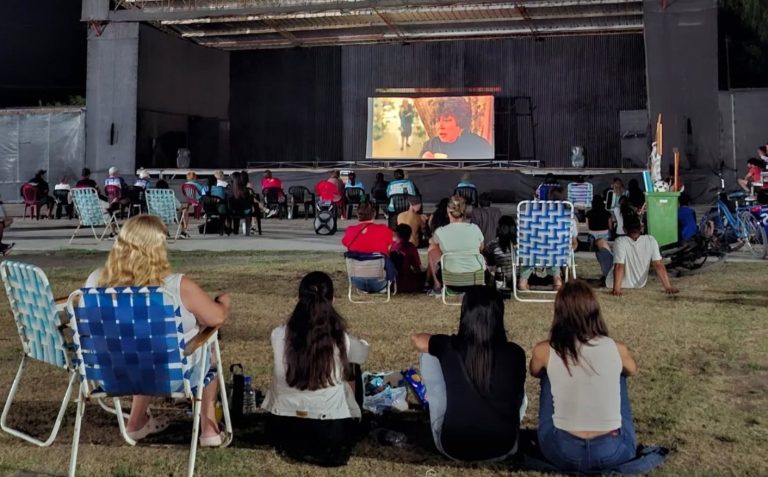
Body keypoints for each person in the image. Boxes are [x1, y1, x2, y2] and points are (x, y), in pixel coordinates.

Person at [84, 215, 230, 446]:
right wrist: (224, 301)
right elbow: (217, 317)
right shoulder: (176, 286)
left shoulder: (95, 282)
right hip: (168, 377)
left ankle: (136, 422)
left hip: (109, 375)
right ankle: (209, 428)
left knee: (138, 346)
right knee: (207, 350)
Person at [529, 280, 666, 474]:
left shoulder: (544, 350)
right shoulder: (616, 348)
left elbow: (534, 371)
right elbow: (632, 370)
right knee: (620, 372)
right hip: (613, 451)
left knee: (548, 372)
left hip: (562, 451)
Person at [262, 271, 368, 467]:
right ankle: (354, 415)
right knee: (352, 367)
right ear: (333, 299)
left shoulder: (278, 334)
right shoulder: (341, 338)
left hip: (283, 424)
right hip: (328, 430)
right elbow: (362, 354)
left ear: (299, 298)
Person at [411, 287, 526, 462]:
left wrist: (439, 341)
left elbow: (417, 339)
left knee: (428, 354)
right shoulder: (515, 352)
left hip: (454, 445)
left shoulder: (448, 346)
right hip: (503, 445)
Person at [596, 212, 679, 295]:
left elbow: (619, 266)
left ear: (624, 229)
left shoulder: (620, 241)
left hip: (614, 282)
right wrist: (668, 287)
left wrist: (616, 289)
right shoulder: (651, 240)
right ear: (641, 228)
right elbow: (658, 265)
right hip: (639, 284)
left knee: (599, 243)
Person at [518, 188, 577, 292]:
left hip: (531, 256)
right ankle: (557, 281)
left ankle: (523, 282)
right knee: (556, 249)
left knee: (528, 249)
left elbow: (521, 237)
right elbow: (573, 243)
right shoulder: (567, 218)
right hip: (556, 256)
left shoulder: (529, 216)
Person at [427, 196, 484, 296]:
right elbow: (481, 247)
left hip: (451, 280)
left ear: (448, 211)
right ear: (464, 212)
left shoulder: (440, 231)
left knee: (432, 249)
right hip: (475, 279)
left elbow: (433, 246)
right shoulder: (475, 229)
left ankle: (437, 286)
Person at [341, 203, 394, 293]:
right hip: (380, 282)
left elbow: (346, 244)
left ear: (358, 215)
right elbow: (389, 248)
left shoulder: (350, 230)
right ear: (374, 214)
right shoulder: (384, 230)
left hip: (357, 282)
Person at [420, 98, 492, 160]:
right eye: (437, 120)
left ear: (461, 121)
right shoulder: (429, 146)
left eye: (447, 120)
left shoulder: (479, 146)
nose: (440, 126)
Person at [391, 224, 426, 293]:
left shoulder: (391, 246)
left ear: (396, 234)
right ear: (409, 235)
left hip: (392, 283)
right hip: (407, 283)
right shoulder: (410, 247)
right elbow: (416, 267)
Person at [484, 215, 516, 289]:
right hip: (518, 279)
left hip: (501, 279)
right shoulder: (520, 243)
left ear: (500, 228)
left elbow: (487, 262)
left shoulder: (493, 244)